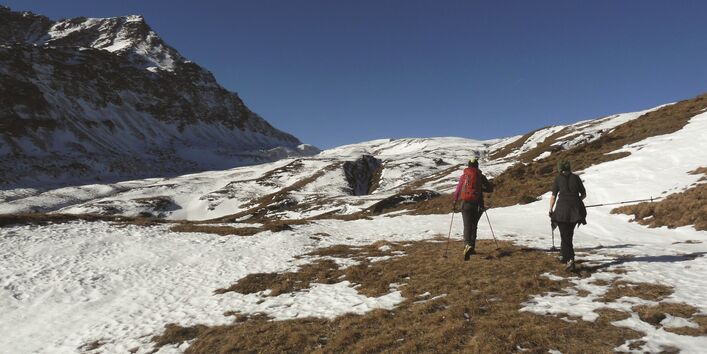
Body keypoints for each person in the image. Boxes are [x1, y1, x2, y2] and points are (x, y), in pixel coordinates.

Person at [453, 157, 494, 261]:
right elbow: (490, 189)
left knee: (467, 226)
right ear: (477, 166)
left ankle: (467, 246)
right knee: (474, 225)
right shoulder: (480, 176)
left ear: (468, 166)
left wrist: (454, 201)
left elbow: (458, 189)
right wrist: (481, 189)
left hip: (465, 204)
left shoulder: (464, 176)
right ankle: (472, 247)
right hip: (478, 204)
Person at [548, 159, 587, 270]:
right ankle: (563, 255)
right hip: (576, 211)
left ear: (560, 168)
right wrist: (577, 201)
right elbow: (583, 194)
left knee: (565, 236)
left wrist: (551, 208)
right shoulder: (576, 178)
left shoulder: (558, 179)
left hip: (561, 211)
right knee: (568, 234)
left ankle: (570, 259)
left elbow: (553, 196)